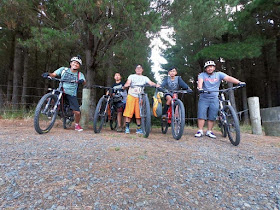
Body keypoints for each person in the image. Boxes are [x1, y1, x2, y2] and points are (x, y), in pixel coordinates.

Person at [195, 60, 246, 138]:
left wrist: (239, 82)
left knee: (212, 115)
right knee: (201, 114)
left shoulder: (219, 74)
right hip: (204, 98)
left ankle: (209, 131)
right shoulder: (202, 75)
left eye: (211, 67)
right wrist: (200, 88)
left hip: (214, 98)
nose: (210, 69)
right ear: (205, 69)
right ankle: (200, 130)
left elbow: (228, 78)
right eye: (208, 67)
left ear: (214, 68)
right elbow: (200, 82)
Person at [42, 56, 86, 132]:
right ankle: (51, 109)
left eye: (77, 63)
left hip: (71, 94)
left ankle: (77, 124)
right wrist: (48, 74)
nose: (75, 64)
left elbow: (84, 82)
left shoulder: (79, 74)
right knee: (50, 97)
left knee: (77, 112)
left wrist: (81, 81)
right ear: (71, 63)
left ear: (79, 66)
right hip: (61, 91)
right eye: (74, 62)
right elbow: (53, 74)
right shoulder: (63, 70)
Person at [123, 64, 159, 134]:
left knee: (138, 113)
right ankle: (127, 127)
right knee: (128, 112)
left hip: (140, 97)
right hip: (131, 95)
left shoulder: (145, 78)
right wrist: (126, 85)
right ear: (135, 70)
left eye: (140, 68)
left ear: (142, 70)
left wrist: (156, 85)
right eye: (137, 68)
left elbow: (150, 83)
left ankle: (139, 128)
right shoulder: (131, 76)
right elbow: (128, 82)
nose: (139, 69)